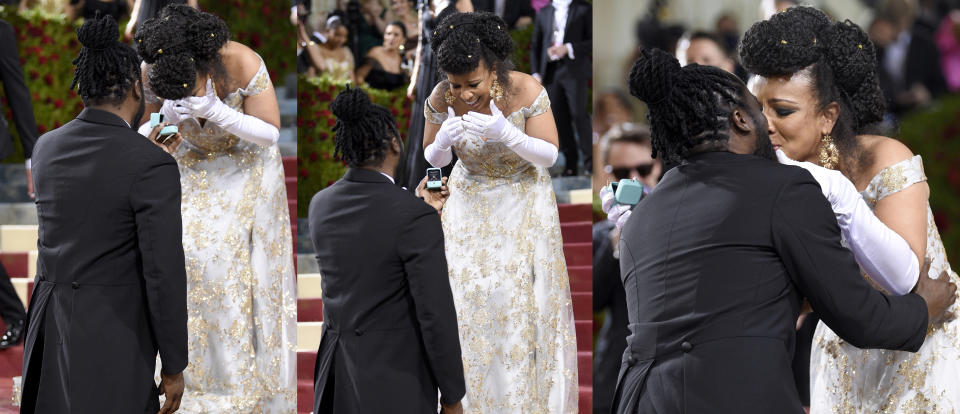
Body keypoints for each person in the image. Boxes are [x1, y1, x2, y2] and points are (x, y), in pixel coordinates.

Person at [609, 47, 956, 414]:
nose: (769, 126)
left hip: (637, 400)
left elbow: (729, 298)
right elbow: (860, 317)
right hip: (730, 398)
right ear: (741, 121)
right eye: (760, 112)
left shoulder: (645, 213)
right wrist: (924, 307)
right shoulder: (782, 188)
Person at [740, 6, 960, 411]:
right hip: (843, 352)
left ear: (828, 116)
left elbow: (901, 281)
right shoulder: (772, 178)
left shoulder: (885, 158)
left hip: (922, 347)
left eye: (782, 110)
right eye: (757, 111)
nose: (765, 124)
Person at [19, 15, 188, 413]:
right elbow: (162, 270)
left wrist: (151, 160)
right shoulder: (150, 165)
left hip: (49, 325)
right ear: (134, 87)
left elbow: (91, 200)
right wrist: (175, 364)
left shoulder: (46, 147)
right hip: (114, 332)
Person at [135, 4, 296, 411]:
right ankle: (188, 374)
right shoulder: (152, 70)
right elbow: (143, 126)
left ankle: (240, 381)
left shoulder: (241, 61)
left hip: (248, 164)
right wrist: (160, 126)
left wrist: (217, 111)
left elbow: (270, 133)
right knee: (183, 251)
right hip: (190, 164)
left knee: (227, 258)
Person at [422, 12, 578, 412]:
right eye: (456, 85)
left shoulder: (525, 88)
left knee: (515, 301)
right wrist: (442, 141)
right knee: (464, 295)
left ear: (492, 69)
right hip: (470, 195)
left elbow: (549, 155)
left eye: (472, 84)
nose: (464, 93)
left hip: (523, 195)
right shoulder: (442, 97)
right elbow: (432, 158)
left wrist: (507, 134)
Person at [309, 87, 465, 414]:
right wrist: (452, 395)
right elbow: (435, 312)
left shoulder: (320, 205)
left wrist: (415, 205)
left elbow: (370, 233)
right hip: (396, 379)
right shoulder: (411, 216)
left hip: (336, 376)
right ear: (394, 142)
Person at [593, 123, 658, 414]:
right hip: (616, 374)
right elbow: (592, 300)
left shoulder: (687, 225)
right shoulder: (601, 236)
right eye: (622, 174)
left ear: (658, 167)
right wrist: (617, 245)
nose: (634, 180)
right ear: (609, 175)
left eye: (642, 170)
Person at [400, 0, 471, 191]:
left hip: (449, 70)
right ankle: (430, 186)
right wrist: (414, 78)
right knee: (426, 129)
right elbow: (421, 44)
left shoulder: (461, 1)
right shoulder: (424, 3)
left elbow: (472, 37)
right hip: (426, 72)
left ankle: (451, 185)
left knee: (449, 126)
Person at [531, 0, 592, 175]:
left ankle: (589, 164)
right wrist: (536, 73)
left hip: (574, 70)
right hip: (551, 72)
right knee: (559, 118)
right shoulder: (544, 12)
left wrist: (569, 48)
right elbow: (537, 44)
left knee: (579, 115)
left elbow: (592, 40)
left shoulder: (583, 8)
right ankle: (571, 165)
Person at [356, 21, 409, 90]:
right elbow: (359, 77)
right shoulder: (375, 52)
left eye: (396, 35)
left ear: (403, 40)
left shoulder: (403, 58)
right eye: (388, 34)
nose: (391, 38)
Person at [303, 16, 357, 82]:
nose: (341, 40)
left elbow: (352, 79)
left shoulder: (346, 51)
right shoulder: (315, 49)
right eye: (337, 35)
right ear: (327, 30)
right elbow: (311, 77)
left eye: (345, 36)